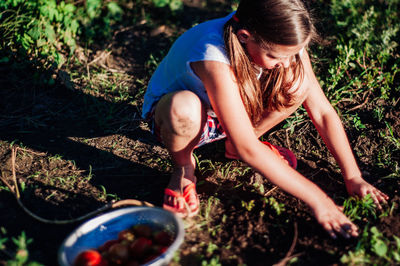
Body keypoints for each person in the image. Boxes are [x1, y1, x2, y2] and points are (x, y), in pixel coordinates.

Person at [141, 0, 388, 239]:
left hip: (230, 114)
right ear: (245, 36)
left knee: (299, 83)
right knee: (183, 107)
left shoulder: (283, 43)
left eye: (292, 54)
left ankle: (233, 145)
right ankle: (183, 167)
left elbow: (322, 111)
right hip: (181, 124)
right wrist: (320, 200)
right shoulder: (211, 54)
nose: (286, 63)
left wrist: (353, 176)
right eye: (275, 56)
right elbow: (249, 149)